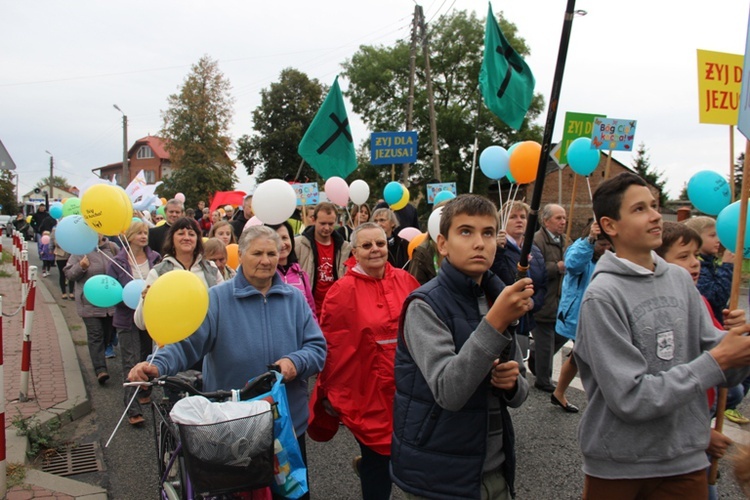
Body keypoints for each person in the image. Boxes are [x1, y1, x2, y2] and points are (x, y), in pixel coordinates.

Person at [574, 172, 750, 499]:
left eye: (654, 205)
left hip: (685, 461)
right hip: (619, 465)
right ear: (610, 226)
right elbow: (630, 398)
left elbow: (725, 371)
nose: (656, 215)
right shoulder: (602, 296)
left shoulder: (681, 282)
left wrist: (738, 346)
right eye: (640, 209)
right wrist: (718, 359)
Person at [129, 225, 326, 489]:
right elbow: (186, 344)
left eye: (271, 253)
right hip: (233, 423)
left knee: (289, 492)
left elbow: (317, 347)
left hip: (285, 423)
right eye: (257, 253)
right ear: (241, 254)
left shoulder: (294, 299)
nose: (266, 260)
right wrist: (156, 364)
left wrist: (295, 363)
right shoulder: (216, 299)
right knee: (236, 492)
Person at [391, 194, 533, 499]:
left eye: (488, 233)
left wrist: (511, 383)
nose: (479, 243)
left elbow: (521, 388)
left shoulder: (498, 296)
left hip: (494, 466)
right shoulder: (424, 304)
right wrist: (495, 322)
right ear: (442, 244)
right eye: (465, 232)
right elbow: (449, 391)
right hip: (439, 474)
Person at [309, 222, 419, 500]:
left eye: (380, 244)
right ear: (354, 252)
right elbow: (333, 348)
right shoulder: (341, 292)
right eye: (367, 245)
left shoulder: (405, 281)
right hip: (366, 393)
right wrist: (331, 392)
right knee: (378, 464)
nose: (375, 250)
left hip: (407, 390)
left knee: (411, 456)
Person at [655, 221, 741, 499]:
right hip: (676, 435)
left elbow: (723, 359)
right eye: (683, 257)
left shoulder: (697, 299)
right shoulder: (658, 310)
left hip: (699, 412)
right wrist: (702, 433)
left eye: (695, 255)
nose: (695, 264)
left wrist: (734, 335)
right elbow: (657, 390)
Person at [551, 221, 611, 413]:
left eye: (609, 244)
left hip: (599, 315)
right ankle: (604, 401)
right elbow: (572, 264)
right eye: (602, 245)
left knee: (579, 356)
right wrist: (590, 241)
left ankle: (559, 393)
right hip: (580, 316)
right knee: (589, 357)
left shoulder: (609, 258)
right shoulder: (579, 249)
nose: (606, 249)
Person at [107, 221, 161, 426]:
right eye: (139, 233)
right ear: (129, 237)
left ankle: (145, 390)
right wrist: (129, 296)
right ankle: (132, 409)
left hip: (148, 316)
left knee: (147, 358)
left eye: (145, 232)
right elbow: (112, 290)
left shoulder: (155, 258)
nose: (143, 236)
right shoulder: (116, 262)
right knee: (130, 362)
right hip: (126, 318)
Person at [491, 201, 547, 359]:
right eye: (513, 217)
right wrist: (498, 252)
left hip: (526, 321)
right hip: (504, 321)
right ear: (503, 221)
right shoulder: (497, 249)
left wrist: (533, 302)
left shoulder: (534, 250)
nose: (519, 220)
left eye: (523, 217)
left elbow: (542, 284)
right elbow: (497, 278)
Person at [64, 234, 119, 384]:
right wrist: (81, 267)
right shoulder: (80, 251)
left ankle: (101, 357)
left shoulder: (113, 248)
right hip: (88, 303)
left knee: (107, 336)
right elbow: (69, 274)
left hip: (110, 303)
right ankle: (100, 369)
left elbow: (123, 270)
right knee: (96, 335)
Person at [529, 203, 570, 393]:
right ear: (546, 221)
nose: (563, 221)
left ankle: (535, 353)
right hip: (543, 300)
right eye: (558, 218)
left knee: (563, 334)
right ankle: (543, 380)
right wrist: (557, 267)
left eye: (564, 218)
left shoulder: (564, 240)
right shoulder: (537, 240)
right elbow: (533, 270)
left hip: (560, 300)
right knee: (546, 342)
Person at [295, 202, 352, 315]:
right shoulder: (299, 244)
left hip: (335, 308)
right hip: (308, 307)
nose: (327, 228)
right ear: (313, 220)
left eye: (331, 223)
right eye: (323, 223)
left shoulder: (345, 247)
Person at [268, 221, 316, 320]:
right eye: (275, 239)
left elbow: (311, 310)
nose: (281, 244)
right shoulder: (264, 275)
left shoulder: (301, 274)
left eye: (285, 238)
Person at [50, 226, 74, 299]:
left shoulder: (73, 230)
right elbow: (53, 242)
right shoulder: (56, 231)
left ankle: (71, 292)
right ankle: (63, 292)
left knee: (72, 274)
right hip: (61, 255)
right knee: (62, 274)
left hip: (71, 255)